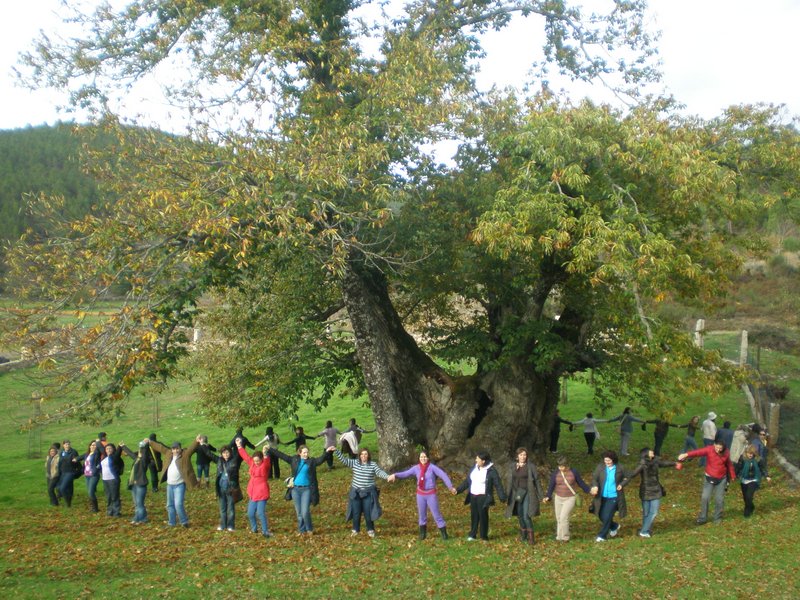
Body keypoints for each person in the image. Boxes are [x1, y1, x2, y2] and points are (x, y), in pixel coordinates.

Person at [389, 450, 456, 540]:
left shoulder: (432, 467)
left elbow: (443, 475)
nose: (423, 459)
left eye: (424, 457)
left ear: (427, 458)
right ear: (419, 458)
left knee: (436, 515)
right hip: (420, 495)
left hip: (431, 494)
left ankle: (444, 534)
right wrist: (395, 475)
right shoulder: (416, 468)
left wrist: (450, 487)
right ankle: (422, 534)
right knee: (422, 515)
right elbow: (406, 473)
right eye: (421, 457)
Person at [268, 444, 331, 535]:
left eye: (307, 452)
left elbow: (320, 460)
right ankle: (302, 530)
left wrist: (327, 451)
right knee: (299, 513)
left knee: (305, 512)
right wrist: (270, 449)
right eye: (304, 452)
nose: (306, 454)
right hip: (295, 490)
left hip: (307, 489)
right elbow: (282, 456)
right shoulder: (294, 460)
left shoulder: (311, 461)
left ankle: (309, 529)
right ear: (299, 453)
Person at [330, 445, 390, 538]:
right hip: (356, 493)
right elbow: (344, 460)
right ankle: (355, 529)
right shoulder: (355, 463)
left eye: (365, 454)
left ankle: (370, 530)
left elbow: (379, 472)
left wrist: (387, 476)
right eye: (362, 454)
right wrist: (336, 451)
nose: (363, 456)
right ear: (359, 455)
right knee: (356, 512)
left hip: (368, 493)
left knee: (368, 512)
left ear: (368, 455)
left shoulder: (373, 465)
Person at [678, 435, 736, 525]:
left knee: (719, 499)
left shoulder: (726, 452)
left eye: (720, 449)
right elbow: (698, 452)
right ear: (714, 445)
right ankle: (702, 518)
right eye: (717, 448)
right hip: (709, 477)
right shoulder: (709, 449)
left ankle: (717, 518)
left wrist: (732, 475)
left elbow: (729, 464)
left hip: (721, 479)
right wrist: (686, 454)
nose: (718, 450)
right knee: (705, 498)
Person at [620, 447, 676, 538]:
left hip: (656, 490)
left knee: (653, 512)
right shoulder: (642, 464)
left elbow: (664, 463)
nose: (652, 452)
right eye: (650, 451)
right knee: (646, 513)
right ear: (646, 453)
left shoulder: (656, 461)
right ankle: (645, 530)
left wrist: (674, 463)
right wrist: (622, 474)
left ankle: (644, 530)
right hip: (646, 490)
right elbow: (633, 474)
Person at [149, 435, 201, 527]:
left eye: (177, 449)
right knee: (170, 505)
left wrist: (196, 441)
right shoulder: (169, 453)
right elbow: (161, 448)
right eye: (174, 449)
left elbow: (191, 449)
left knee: (178, 504)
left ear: (180, 449)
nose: (175, 451)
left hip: (179, 485)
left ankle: (184, 522)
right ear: (172, 449)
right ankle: (171, 523)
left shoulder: (184, 455)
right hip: (170, 485)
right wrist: (150, 442)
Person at [455, 451, 507, 541]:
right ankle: (472, 534)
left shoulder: (491, 471)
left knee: (483, 516)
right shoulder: (474, 468)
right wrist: (458, 490)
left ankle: (484, 536)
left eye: (478, 459)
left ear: (483, 461)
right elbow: (467, 481)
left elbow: (498, 484)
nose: (476, 460)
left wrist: (502, 496)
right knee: (474, 515)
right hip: (473, 495)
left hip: (483, 497)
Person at [542, 455, 591, 542]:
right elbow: (551, 486)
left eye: (562, 466)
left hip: (570, 498)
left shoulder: (574, 472)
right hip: (558, 498)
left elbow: (581, 483)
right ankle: (559, 536)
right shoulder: (555, 473)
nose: (561, 468)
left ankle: (565, 537)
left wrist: (589, 490)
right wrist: (548, 496)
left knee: (564, 517)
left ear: (567, 465)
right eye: (559, 466)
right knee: (558, 518)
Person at [504, 447, 544, 545]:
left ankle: (531, 538)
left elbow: (537, 481)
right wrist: (507, 496)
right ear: (517, 456)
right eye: (521, 455)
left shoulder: (531, 466)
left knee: (526, 515)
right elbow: (509, 481)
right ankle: (523, 535)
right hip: (517, 494)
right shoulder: (513, 466)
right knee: (520, 515)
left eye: (524, 455)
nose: (523, 457)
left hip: (527, 493)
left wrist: (541, 496)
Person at [199, 444, 241, 531]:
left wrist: (239, 445)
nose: (225, 454)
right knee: (222, 508)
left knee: (231, 509)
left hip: (231, 489)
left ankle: (231, 526)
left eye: (227, 452)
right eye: (223, 453)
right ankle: (223, 525)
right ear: (221, 454)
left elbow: (241, 455)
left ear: (230, 453)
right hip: (221, 489)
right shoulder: (219, 461)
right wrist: (202, 444)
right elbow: (209, 453)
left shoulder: (235, 461)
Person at [589, 450, 628, 542]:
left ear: (613, 460)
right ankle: (614, 526)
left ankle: (602, 536)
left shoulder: (620, 468)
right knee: (601, 515)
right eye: (605, 461)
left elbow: (628, 477)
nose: (607, 463)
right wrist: (595, 486)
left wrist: (622, 484)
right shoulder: (600, 467)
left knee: (607, 516)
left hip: (614, 496)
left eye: (609, 461)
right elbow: (594, 479)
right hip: (602, 496)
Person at [236, 439, 272, 538]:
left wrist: (265, 452)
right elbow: (245, 456)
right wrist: (239, 446)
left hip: (262, 492)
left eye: (258, 461)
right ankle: (254, 528)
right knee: (250, 513)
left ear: (261, 460)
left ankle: (265, 531)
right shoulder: (252, 463)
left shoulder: (264, 465)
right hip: (252, 492)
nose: (256, 462)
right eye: (255, 460)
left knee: (260, 513)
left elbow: (267, 462)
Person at [121, 439, 154, 524]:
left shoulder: (143, 460)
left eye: (140, 449)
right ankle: (142, 518)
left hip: (140, 484)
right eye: (139, 448)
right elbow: (131, 454)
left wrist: (145, 445)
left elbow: (144, 452)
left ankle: (138, 518)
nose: (139, 450)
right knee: (137, 503)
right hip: (134, 484)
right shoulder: (137, 459)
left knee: (139, 503)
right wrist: (123, 446)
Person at [735, 444, 770, 518]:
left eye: (752, 453)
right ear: (746, 453)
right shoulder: (742, 458)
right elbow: (738, 467)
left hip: (754, 479)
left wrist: (766, 476)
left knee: (749, 496)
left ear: (754, 453)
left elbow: (762, 468)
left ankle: (747, 510)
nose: (750, 455)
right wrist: (735, 475)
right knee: (745, 497)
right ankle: (751, 506)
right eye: (748, 453)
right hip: (744, 480)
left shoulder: (758, 459)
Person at [99, 442, 125, 517]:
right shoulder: (104, 458)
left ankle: (116, 512)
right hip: (105, 479)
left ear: (113, 449)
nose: (109, 450)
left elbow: (118, 453)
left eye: (110, 448)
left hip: (113, 479)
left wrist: (119, 447)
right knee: (109, 496)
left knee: (115, 496)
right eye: (107, 449)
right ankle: (110, 511)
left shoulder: (114, 457)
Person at [80, 440, 103, 513]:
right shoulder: (87, 454)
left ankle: (95, 508)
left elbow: (101, 450)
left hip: (94, 475)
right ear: (89, 446)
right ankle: (93, 507)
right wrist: (74, 459)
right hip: (87, 475)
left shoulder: (97, 453)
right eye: (92, 445)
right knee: (89, 492)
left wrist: (98, 442)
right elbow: (80, 458)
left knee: (91, 492)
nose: (93, 446)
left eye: (95, 445)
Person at [56, 439, 80, 507]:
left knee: (62, 488)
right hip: (63, 472)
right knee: (67, 487)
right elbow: (59, 462)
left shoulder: (73, 452)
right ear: (63, 445)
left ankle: (68, 503)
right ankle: (68, 500)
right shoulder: (61, 452)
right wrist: (58, 471)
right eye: (66, 444)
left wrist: (77, 471)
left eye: (68, 444)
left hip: (70, 472)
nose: (67, 445)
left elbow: (77, 462)